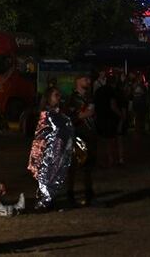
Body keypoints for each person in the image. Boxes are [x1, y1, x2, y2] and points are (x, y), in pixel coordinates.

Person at [28, 87, 74, 211]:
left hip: (59, 150)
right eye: (56, 95)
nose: (59, 98)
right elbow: (42, 134)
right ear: (48, 98)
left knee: (56, 175)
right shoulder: (46, 114)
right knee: (46, 174)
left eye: (59, 95)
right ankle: (44, 202)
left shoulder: (60, 113)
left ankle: (51, 200)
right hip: (48, 151)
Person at [65, 73, 97, 207]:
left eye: (89, 79)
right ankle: (69, 195)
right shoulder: (72, 99)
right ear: (77, 81)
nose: (88, 81)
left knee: (88, 166)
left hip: (90, 134)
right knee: (72, 166)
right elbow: (72, 117)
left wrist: (84, 114)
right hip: (77, 135)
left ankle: (89, 194)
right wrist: (84, 114)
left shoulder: (89, 97)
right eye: (85, 79)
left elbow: (90, 113)